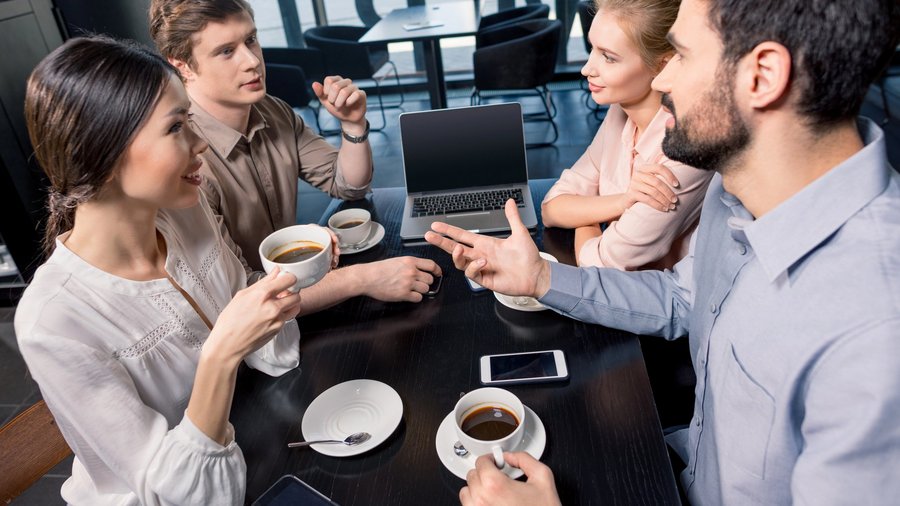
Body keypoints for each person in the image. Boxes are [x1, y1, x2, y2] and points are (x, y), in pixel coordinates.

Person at [426, 0, 900, 503]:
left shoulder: (876, 334)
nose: (661, 79)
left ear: (762, 75)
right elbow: (682, 298)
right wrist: (542, 279)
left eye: (680, 54)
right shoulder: (735, 185)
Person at [15, 36, 312, 504]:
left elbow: (267, 351)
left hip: (250, 439)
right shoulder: (52, 321)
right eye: (177, 128)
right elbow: (175, 494)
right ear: (102, 154)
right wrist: (221, 354)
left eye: (189, 120)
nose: (200, 145)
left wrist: (275, 296)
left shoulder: (184, 213)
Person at [149, 0, 441, 313]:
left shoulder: (272, 110)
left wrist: (352, 123)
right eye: (226, 51)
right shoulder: (184, 161)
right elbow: (240, 297)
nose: (252, 61)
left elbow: (348, 185)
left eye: (251, 40)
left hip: (293, 296)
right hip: (244, 329)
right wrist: (361, 279)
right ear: (182, 65)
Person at [541, 0, 712, 269]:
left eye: (608, 57)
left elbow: (600, 266)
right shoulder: (619, 114)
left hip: (659, 305)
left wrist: (583, 214)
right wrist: (621, 202)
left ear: (663, 65)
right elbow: (551, 208)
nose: (587, 69)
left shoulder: (686, 149)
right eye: (592, 49)